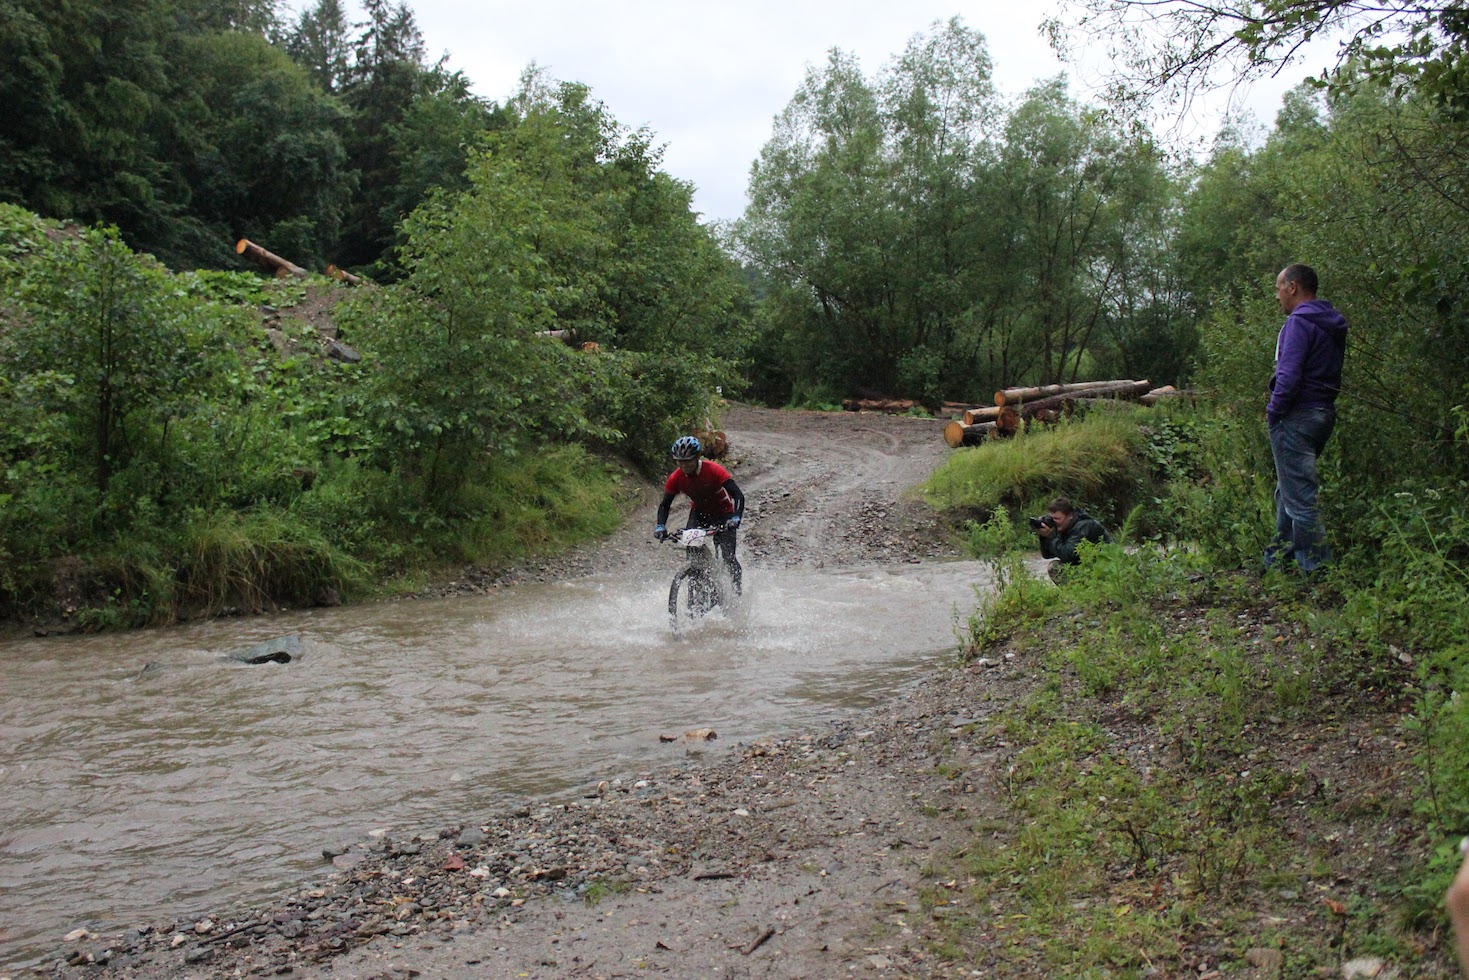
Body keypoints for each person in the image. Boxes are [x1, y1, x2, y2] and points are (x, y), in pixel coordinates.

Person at [1265, 263, 1348, 575]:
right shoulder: (1329, 322)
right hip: (1322, 413)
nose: (1277, 296)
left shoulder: (1299, 323)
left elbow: (1288, 376)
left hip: (1296, 416)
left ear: (1293, 287)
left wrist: (1274, 411)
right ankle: (1278, 560)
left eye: (1279, 288)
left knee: (1301, 499)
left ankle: (1316, 570)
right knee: (1289, 489)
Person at [654, 435, 745, 592]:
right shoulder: (676, 477)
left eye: (688, 461)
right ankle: (696, 584)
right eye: (680, 461)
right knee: (692, 549)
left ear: (697, 458)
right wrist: (661, 526)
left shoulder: (714, 470)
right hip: (699, 513)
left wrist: (736, 517)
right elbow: (665, 505)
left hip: (724, 513)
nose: (684, 465)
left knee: (728, 557)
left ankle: (737, 590)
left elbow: (738, 495)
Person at [1035, 496, 1111, 581]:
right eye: (1051, 518)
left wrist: (1050, 536)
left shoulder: (1083, 526)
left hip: (1103, 569)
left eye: (1057, 518)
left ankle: (1079, 589)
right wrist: (1044, 536)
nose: (1053, 522)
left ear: (1070, 515)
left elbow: (1067, 555)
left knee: (1055, 567)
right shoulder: (1065, 526)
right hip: (1088, 566)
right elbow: (1048, 554)